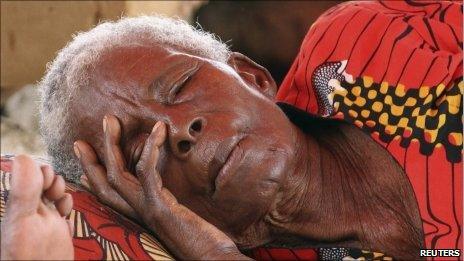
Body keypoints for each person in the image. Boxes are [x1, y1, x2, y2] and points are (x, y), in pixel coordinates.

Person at [2, 1, 461, 260]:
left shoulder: (358, 46)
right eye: (142, 149)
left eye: (181, 85)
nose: (180, 132)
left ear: (253, 76)